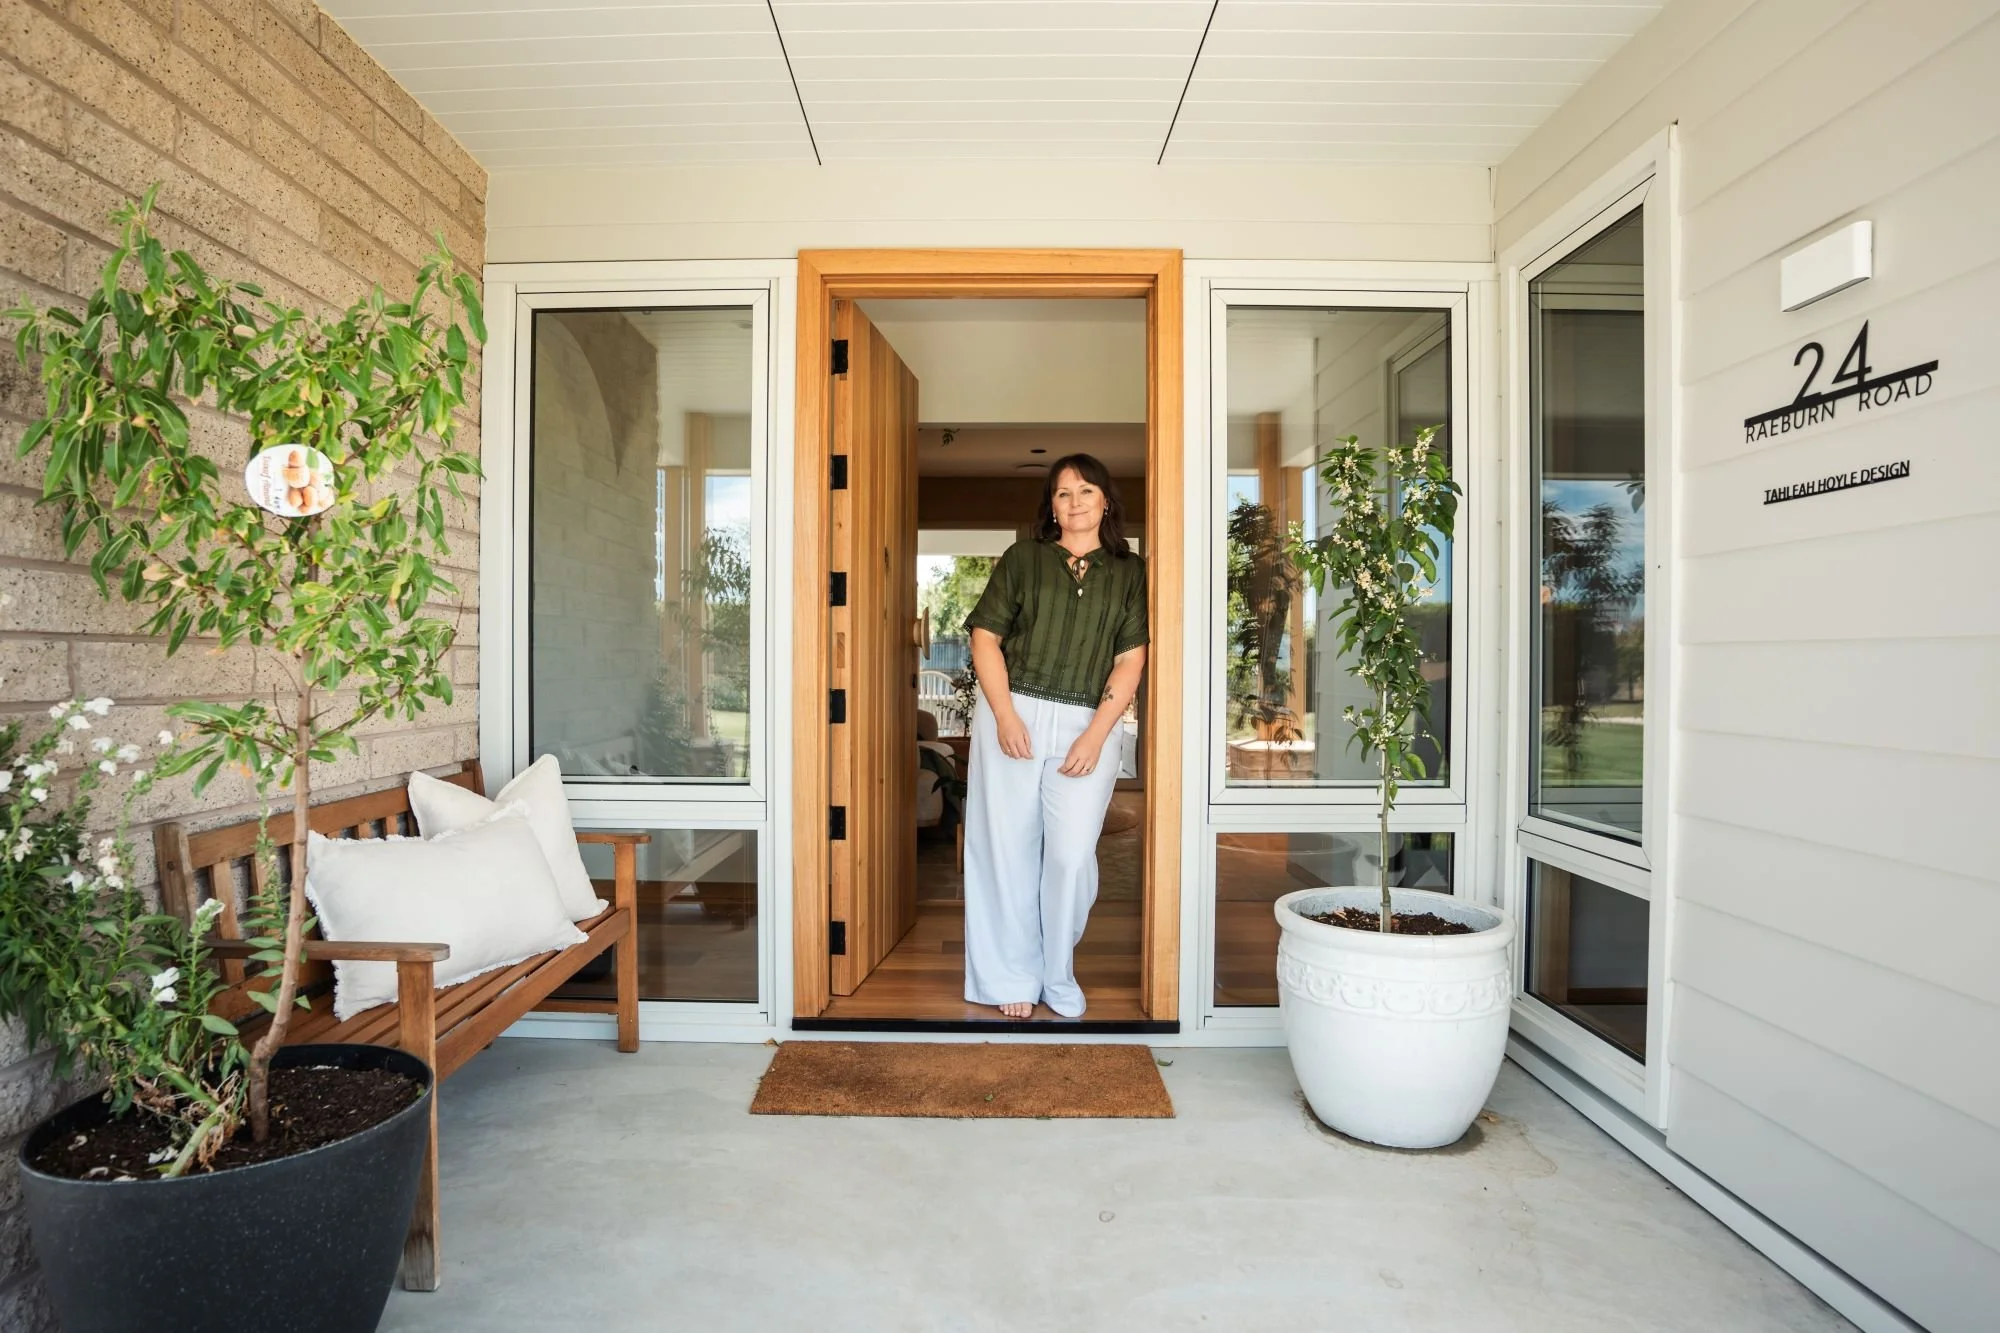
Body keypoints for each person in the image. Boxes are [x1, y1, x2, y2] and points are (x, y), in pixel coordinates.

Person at [961, 454, 1148, 1019]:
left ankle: (1056, 969)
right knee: (1005, 850)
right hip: (1013, 712)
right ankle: (1009, 976)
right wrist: (1005, 716)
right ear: (1052, 506)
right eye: (1062, 494)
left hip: (1088, 724)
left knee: (1070, 856)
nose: (1074, 502)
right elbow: (985, 638)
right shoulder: (1025, 559)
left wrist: (1096, 734)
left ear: (1105, 501)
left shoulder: (1129, 571)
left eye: (1085, 491)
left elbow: (1130, 657)